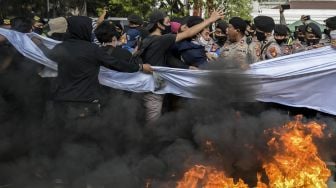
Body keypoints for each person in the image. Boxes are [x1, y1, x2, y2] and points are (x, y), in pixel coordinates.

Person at [46, 16, 152, 120]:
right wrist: (140, 67)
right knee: (85, 134)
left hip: (60, 101)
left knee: (61, 134)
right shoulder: (92, 49)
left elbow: (44, 58)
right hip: (85, 101)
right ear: (84, 29)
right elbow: (116, 64)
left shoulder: (60, 47)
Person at [141, 9, 224, 123]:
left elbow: (169, 57)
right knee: (153, 122)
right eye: (166, 19)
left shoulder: (147, 39)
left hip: (156, 86)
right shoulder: (162, 40)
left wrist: (187, 67)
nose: (169, 22)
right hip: (154, 88)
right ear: (158, 24)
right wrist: (210, 19)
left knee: (162, 114)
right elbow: (187, 33)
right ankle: (150, 139)